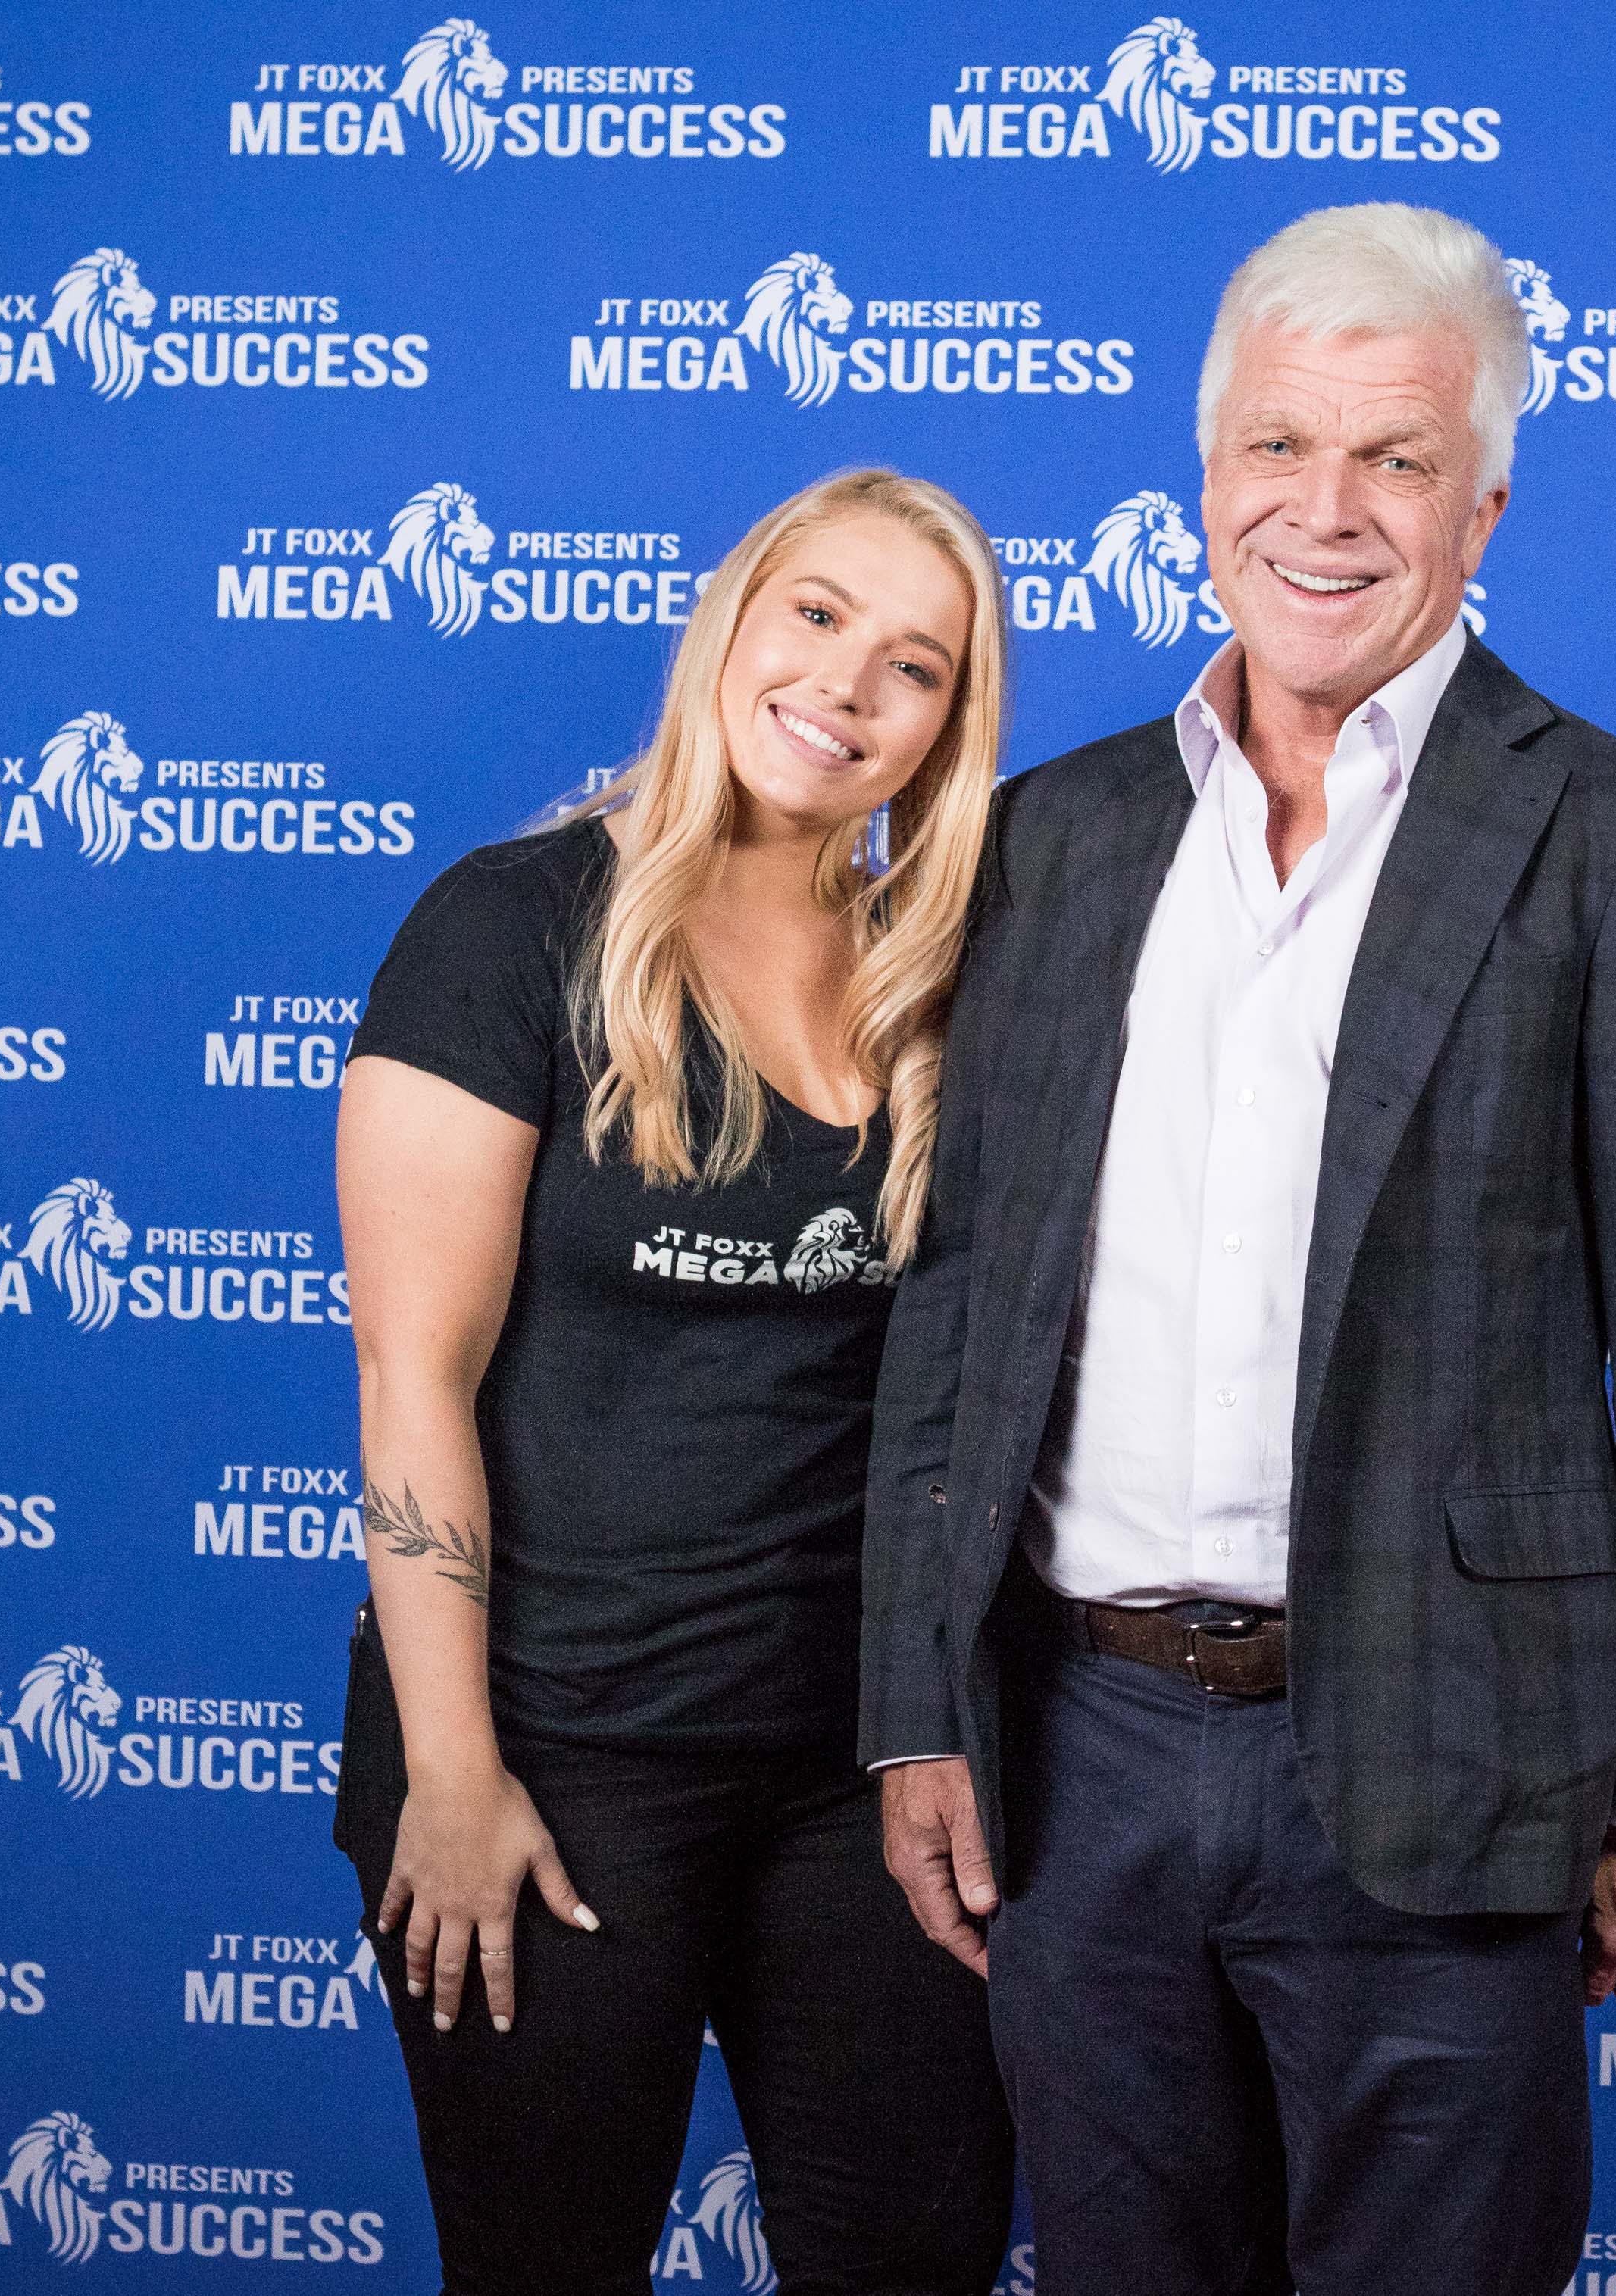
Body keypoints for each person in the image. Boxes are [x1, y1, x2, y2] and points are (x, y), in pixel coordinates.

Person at [864, 205, 1616, 2293]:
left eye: (1396, 459)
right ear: (1208, 480)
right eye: (1280, 445)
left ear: (1484, 507)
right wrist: (917, 1705)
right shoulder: (1058, 832)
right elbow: (962, 1302)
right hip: (1077, 1757)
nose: (1328, 508)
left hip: (1448, 1755)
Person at [336, 468, 1017, 2295]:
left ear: (948, 724)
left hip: (862, 1774)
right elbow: (413, 1378)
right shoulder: (511, 927)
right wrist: (452, 1771)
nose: (848, 685)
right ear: (731, 619)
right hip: (557, 1754)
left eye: (915, 664)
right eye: (818, 615)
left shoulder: (935, 975)